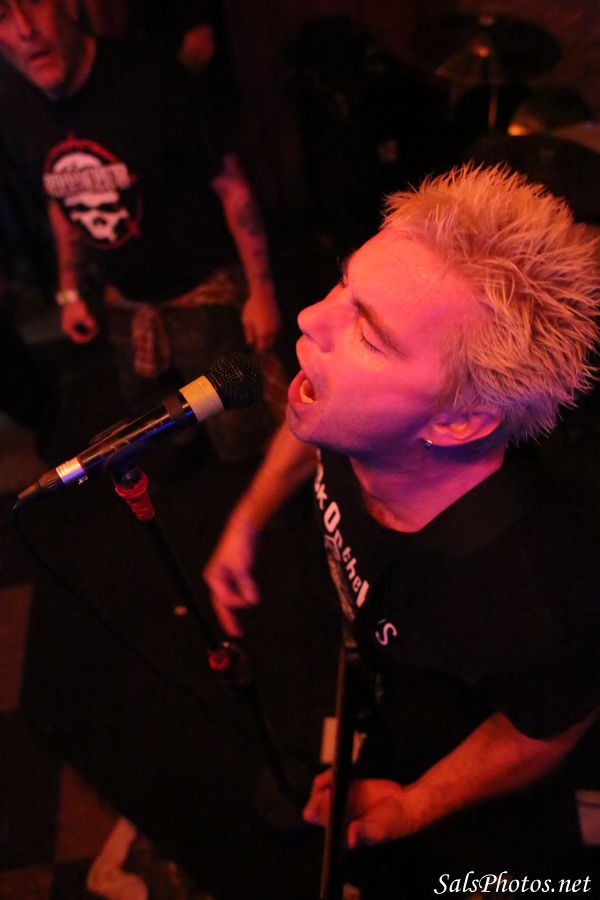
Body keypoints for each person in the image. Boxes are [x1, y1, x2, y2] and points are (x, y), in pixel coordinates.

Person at [204, 165, 600, 897]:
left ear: (457, 421)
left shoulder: (533, 597)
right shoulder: (354, 409)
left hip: (447, 732)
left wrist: (416, 805)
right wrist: (248, 518)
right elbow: (315, 406)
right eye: (343, 286)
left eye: (370, 333)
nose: (310, 318)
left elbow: (548, 728)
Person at [0, 0, 284, 462]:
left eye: (34, 3)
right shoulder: (16, 108)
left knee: (243, 440)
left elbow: (231, 186)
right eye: (1, 16)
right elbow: (59, 196)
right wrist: (70, 292)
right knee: (163, 438)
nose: (25, 30)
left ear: (70, 6)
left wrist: (261, 293)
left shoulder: (152, 80)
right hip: (125, 304)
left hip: (203, 295)